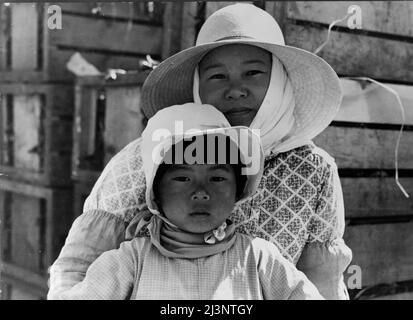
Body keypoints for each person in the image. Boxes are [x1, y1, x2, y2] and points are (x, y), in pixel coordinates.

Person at [48, 3, 352, 300]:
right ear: (197, 86)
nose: (235, 90)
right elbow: (77, 270)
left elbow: (321, 283)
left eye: (254, 73)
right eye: (217, 76)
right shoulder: (148, 157)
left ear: (280, 81)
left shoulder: (312, 169)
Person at [55, 103, 323, 300]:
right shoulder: (131, 261)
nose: (201, 192)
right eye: (182, 178)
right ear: (155, 194)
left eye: (217, 178)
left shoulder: (258, 258)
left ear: (237, 191)